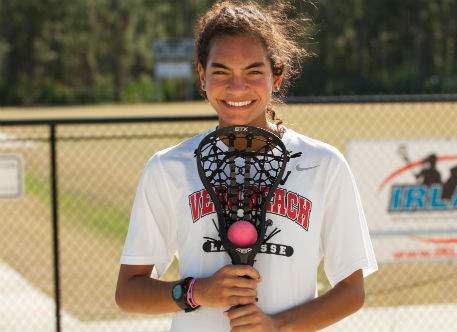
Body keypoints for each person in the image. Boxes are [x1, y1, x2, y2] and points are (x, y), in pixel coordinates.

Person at [115, 1, 377, 331]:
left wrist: (278, 326)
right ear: (201, 75)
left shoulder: (323, 164)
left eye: (253, 72)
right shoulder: (169, 167)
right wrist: (197, 292)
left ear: (277, 76)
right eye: (221, 71)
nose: (237, 88)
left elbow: (352, 291)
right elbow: (128, 291)